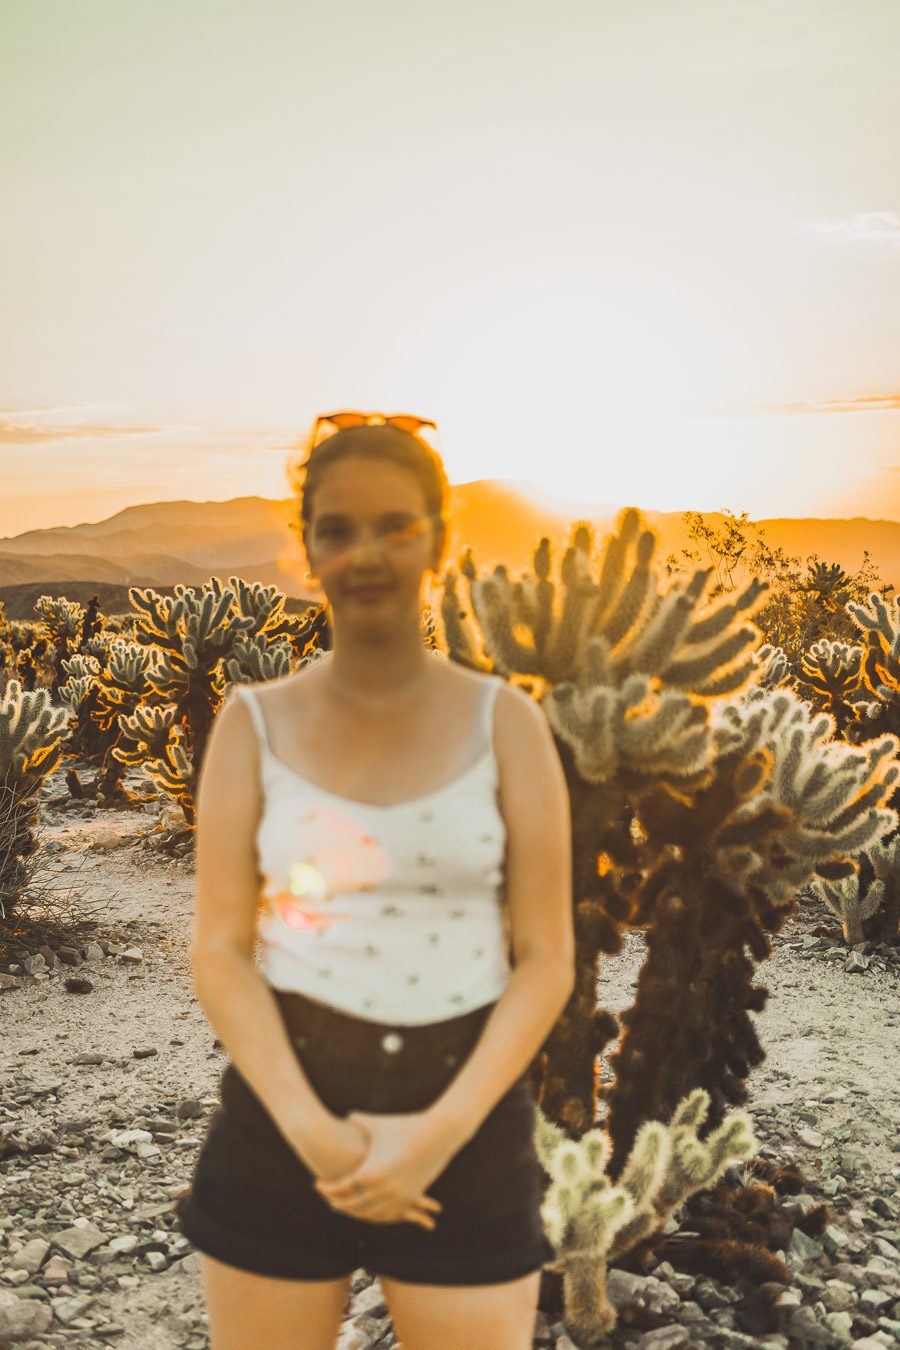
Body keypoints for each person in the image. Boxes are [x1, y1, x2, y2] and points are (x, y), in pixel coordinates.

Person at [174, 411, 575, 1350]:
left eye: (396, 526)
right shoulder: (251, 724)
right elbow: (222, 951)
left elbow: (548, 955)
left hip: (466, 1114)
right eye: (338, 528)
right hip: (284, 1111)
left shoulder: (506, 724)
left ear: (439, 534)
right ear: (307, 546)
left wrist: (437, 1133)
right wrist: (314, 1130)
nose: (367, 554)